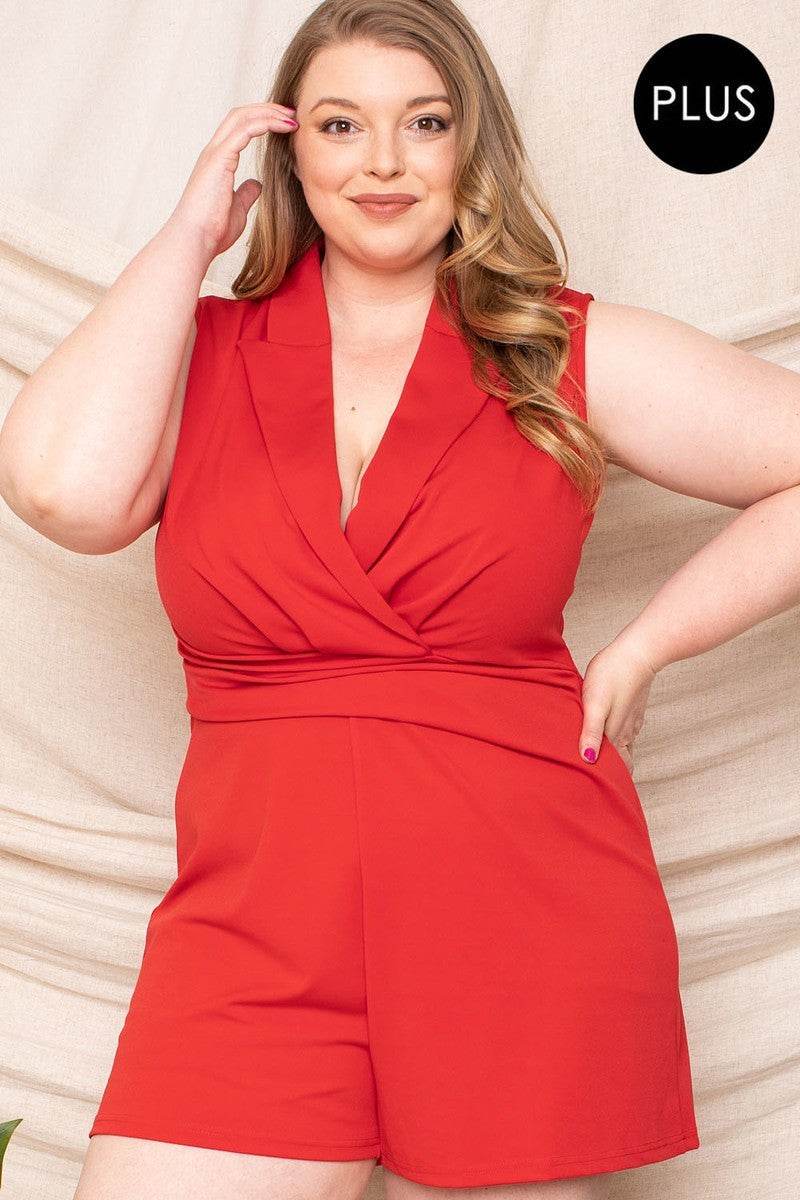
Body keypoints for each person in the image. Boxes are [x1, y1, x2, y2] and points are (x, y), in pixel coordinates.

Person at [2, 2, 799, 1198]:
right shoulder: (192, 352)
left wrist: (644, 646)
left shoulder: (557, 349)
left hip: (520, 911)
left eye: (423, 123)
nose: (381, 160)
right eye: (339, 125)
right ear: (287, 151)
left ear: (469, 146)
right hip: (251, 933)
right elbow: (62, 493)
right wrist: (186, 237)